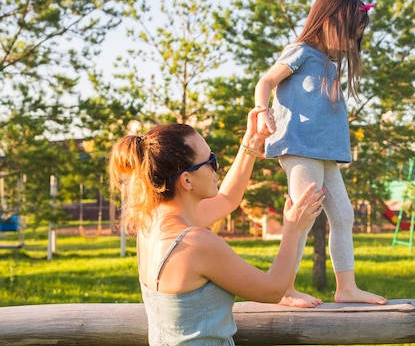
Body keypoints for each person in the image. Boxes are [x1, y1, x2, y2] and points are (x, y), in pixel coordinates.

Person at [108, 106, 326, 346]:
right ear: (187, 180)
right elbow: (273, 290)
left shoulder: (151, 226)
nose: (216, 167)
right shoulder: (196, 244)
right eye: (209, 161)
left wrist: (251, 142)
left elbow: (227, 200)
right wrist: (292, 230)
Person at [254, 0, 388, 308]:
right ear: (328, 22)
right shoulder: (300, 52)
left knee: (343, 214)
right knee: (304, 216)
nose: (350, 43)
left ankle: (346, 287)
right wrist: (262, 112)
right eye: (348, 34)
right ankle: (284, 289)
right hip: (300, 147)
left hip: (323, 152)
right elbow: (266, 81)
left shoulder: (328, 62)